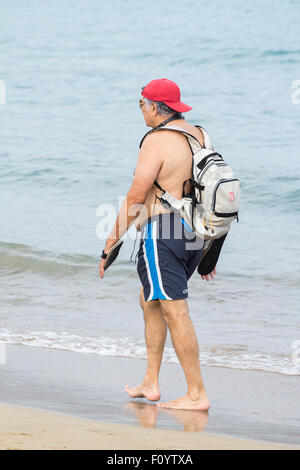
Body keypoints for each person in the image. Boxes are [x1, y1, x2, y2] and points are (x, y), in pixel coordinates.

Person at [99, 79, 215, 410]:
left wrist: (110, 243)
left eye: (141, 104)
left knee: (174, 309)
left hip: (163, 235)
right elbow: (214, 190)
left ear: (153, 107)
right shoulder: (200, 135)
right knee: (150, 299)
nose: (141, 110)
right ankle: (151, 381)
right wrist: (212, 250)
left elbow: (137, 196)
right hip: (195, 234)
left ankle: (196, 394)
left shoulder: (156, 141)